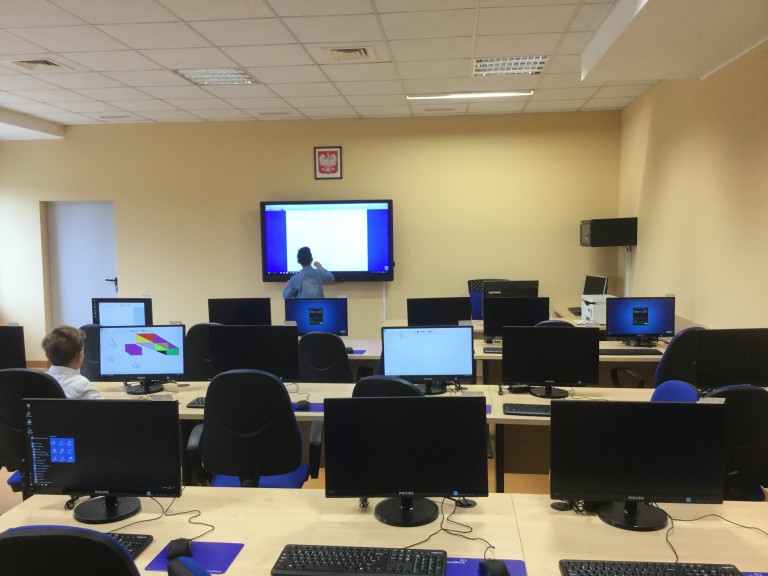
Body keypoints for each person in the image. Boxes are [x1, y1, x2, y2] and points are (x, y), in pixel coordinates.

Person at [41, 325, 102, 400]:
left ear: (47, 355)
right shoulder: (82, 385)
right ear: (79, 355)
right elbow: (102, 406)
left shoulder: (40, 380)